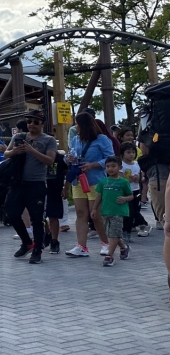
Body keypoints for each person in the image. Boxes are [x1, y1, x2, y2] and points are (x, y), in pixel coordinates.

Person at [3, 110, 57, 263]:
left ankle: (38, 249)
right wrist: (14, 151)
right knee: (12, 213)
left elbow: (49, 161)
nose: (31, 125)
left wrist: (32, 150)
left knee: (36, 218)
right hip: (18, 182)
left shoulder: (48, 140)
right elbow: (6, 154)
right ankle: (27, 242)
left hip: (36, 183)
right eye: (29, 121)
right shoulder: (19, 137)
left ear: (42, 124)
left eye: (35, 122)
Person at [66, 111, 114, 258]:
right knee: (81, 213)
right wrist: (68, 159)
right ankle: (81, 246)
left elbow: (111, 158)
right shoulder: (75, 139)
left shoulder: (102, 139)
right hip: (78, 180)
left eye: (77, 123)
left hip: (95, 181)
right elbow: (71, 154)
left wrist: (93, 165)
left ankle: (106, 243)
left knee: (96, 214)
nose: (75, 126)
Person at [95, 156, 133, 266]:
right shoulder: (103, 182)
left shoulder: (124, 182)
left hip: (118, 211)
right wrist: (94, 209)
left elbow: (131, 196)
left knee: (114, 234)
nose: (110, 169)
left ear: (119, 167)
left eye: (113, 166)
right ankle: (124, 247)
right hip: (106, 211)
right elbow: (99, 196)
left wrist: (125, 199)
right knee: (111, 233)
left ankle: (109, 256)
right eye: (107, 166)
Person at [120, 142, 148, 240]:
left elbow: (141, 176)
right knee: (129, 213)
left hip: (136, 191)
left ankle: (129, 232)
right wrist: (128, 179)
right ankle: (126, 231)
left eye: (133, 152)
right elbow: (120, 178)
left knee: (135, 211)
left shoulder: (136, 164)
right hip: (126, 192)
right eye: (128, 152)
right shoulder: (121, 165)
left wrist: (138, 178)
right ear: (123, 153)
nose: (131, 154)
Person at [45, 148, 68, 254]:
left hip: (54, 188)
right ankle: (46, 235)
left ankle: (54, 241)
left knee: (53, 216)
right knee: (37, 216)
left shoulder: (59, 158)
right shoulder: (32, 155)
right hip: (36, 187)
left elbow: (68, 171)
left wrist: (65, 188)